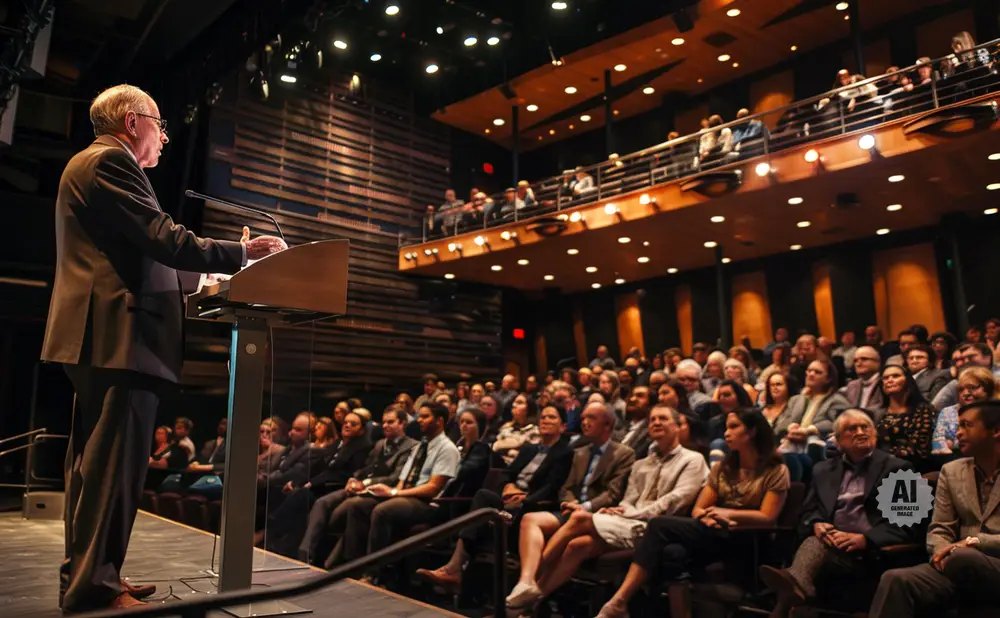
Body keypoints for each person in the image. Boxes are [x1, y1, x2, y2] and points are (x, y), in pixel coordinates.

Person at [42, 85, 284, 612]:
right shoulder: (111, 162)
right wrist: (243, 251)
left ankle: (90, 576)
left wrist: (202, 278)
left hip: (102, 336)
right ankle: (95, 589)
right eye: (159, 124)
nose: (165, 136)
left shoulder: (94, 164)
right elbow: (162, 237)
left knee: (95, 472)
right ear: (133, 122)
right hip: (120, 336)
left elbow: (143, 254)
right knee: (109, 474)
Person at [595, 410, 790, 618]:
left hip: (746, 539)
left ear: (752, 432)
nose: (726, 433)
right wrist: (706, 517)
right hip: (715, 531)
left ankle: (619, 601)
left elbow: (768, 516)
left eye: (734, 427)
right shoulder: (724, 468)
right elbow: (699, 508)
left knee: (659, 525)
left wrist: (726, 513)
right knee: (672, 552)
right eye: (726, 427)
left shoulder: (776, 470)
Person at [516, 406, 708, 607]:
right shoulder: (642, 463)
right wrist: (621, 510)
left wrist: (630, 514)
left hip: (653, 529)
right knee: (577, 545)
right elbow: (628, 498)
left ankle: (527, 580)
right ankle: (531, 603)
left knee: (580, 517)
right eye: (652, 419)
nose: (656, 423)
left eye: (663, 418)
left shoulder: (692, 459)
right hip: (627, 521)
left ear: (678, 426)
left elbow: (673, 502)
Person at [759, 410, 913, 616]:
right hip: (832, 545)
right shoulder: (822, 470)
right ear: (838, 441)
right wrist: (816, 524)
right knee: (814, 540)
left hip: (870, 553)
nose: (860, 432)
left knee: (813, 547)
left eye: (865, 427)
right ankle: (797, 585)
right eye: (852, 429)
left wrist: (865, 539)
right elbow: (808, 512)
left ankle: (795, 583)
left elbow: (909, 523)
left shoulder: (901, 469)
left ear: (874, 434)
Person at [415, 405, 573, 591]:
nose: (545, 420)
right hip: (510, 499)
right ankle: (455, 569)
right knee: (483, 497)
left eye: (552, 417)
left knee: (485, 511)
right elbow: (507, 474)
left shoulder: (564, 453)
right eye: (543, 417)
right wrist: (507, 487)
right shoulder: (529, 449)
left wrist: (524, 500)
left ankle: (457, 572)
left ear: (563, 426)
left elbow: (551, 487)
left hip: (531, 506)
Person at [869, 400, 1000, 617]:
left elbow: (966, 550)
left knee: (964, 558)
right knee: (896, 579)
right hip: (956, 565)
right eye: (958, 426)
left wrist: (973, 543)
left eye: (966, 425)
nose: (958, 434)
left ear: (996, 431)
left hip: (991, 565)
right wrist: (941, 552)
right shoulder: (952, 471)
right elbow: (940, 527)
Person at [506, 402, 635, 615]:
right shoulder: (579, 452)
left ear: (608, 424)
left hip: (597, 517)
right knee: (530, 519)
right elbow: (566, 487)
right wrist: (570, 501)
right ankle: (526, 581)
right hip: (571, 512)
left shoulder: (623, 453)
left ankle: (530, 600)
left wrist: (583, 507)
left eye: (591, 418)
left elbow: (613, 494)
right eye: (583, 417)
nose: (584, 422)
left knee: (577, 545)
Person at [326, 403, 460, 575]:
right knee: (357, 505)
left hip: (428, 504)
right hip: (406, 496)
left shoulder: (447, 448)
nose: (419, 420)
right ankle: (353, 565)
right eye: (419, 416)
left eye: (425, 417)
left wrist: (394, 494)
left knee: (382, 511)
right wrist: (388, 492)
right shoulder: (421, 445)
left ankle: (373, 573)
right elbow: (402, 481)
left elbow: (433, 488)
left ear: (439, 421)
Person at [297, 406, 416, 565]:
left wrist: (364, 482)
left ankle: (336, 562)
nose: (386, 425)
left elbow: (395, 477)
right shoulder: (380, 443)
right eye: (384, 422)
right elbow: (367, 467)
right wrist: (354, 479)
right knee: (322, 503)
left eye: (391, 422)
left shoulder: (411, 446)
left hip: (381, 491)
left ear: (403, 424)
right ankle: (305, 553)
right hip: (361, 486)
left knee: (338, 515)